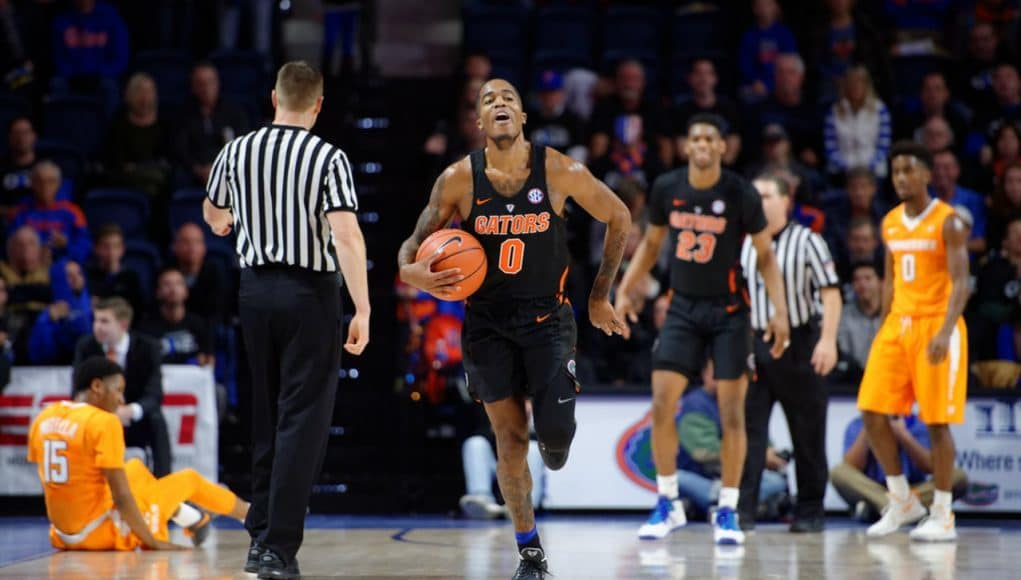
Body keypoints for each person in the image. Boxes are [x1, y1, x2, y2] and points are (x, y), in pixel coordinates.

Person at [397, 78, 630, 579]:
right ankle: (530, 551)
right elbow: (411, 248)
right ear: (478, 122)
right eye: (488, 100)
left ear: (523, 118)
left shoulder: (559, 170)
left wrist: (598, 296)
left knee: (556, 444)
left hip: (549, 319)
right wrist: (412, 271)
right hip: (487, 324)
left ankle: (554, 438)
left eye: (509, 99)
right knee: (509, 440)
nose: (499, 103)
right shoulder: (458, 179)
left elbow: (620, 216)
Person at [203, 61, 370, 580]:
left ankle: (260, 538)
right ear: (318, 105)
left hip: (254, 292)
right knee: (303, 419)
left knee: (266, 416)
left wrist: (231, 223)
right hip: (310, 294)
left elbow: (212, 214)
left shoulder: (235, 150)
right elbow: (346, 236)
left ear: (274, 98)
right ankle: (277, 547)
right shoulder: (327, 157)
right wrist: (362, 308)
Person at [615, 113, 790, 545]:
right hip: (683, 309)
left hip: (730, 311)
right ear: (686, 145)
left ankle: (728, 508)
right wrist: (624, 288)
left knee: (733, 413)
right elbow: (652, 244)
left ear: (722, 146)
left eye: (711, 138)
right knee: (661, 403)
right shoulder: (667, 187)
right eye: (696, 138)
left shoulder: (739, 192)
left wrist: (780, 311)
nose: (703, 144)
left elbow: (766, 256)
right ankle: (668, 501)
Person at [856, 141, 970, 541]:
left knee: (936, 422)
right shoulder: (888, 222)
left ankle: (942, 513)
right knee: (871, 410)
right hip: (898, 326)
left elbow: (962, 283)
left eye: (908, 170)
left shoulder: (948, 221)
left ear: (926, 174)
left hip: (937, 324)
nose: (901, 177)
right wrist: (883, 327)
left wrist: (944, 330)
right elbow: (889, 280)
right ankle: (902, 500)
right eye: (896, 171)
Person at [27, 356, 249, 551]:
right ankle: (253, 516)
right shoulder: (104, 422)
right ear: (97, 386)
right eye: (119, 390)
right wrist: (152, 542)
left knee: (134, 468)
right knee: (188, 480)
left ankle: (191, 517)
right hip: (99, 533)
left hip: (61, 535)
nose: (122, 400)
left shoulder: (45, 416)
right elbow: (121, 497)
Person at [737, 175, 841, 533]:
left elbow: (831, 293)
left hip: (801, 343)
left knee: (808, 434)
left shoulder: (808, 240)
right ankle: (741, 511)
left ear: (786, 201)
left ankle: (810, 511)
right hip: (757, 343)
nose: (759, 200)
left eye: (766, 194)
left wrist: (827, 340)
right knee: (748, 432)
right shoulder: (747, 243)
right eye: (756, 195)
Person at [676, 360, 789, 519]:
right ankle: (737, 503)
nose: (721, 377)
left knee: (776, 481)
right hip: (704, 477)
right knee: (677, 478)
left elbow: (760, 439)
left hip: (739, 476)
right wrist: (758, 456)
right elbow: (702, 452)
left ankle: (721, 504)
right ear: (704, 375)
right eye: (715, 371)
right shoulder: (695, 404)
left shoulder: (742, 402)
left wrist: (770, 454)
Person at [74, 297, 172, 477]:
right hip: (98, 417)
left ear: (123, 325)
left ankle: (163, 484)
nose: (98, 326)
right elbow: (78, 391)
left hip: (133, 416)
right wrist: (103, 414)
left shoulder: (147, 348)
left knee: (156, 419)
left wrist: (129, 411)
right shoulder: (86, 347)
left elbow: (155, 393)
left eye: (105, 321)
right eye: (96, 320)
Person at [831, 415, 968, 522]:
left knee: (957, 477)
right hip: (873, 488)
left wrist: (903, 435)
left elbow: (929, 466)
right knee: (838, 473)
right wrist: (871, 427)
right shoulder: (857, 424)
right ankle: (898, 507)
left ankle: (883, 509)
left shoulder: (917, 423)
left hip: (914, 489)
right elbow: (852, 465)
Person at [8, 161, 91, 264]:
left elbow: (84, 248)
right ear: (32, 184)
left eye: (50, 181)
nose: (45, 186)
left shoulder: (73, 212)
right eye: (39, 181)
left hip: (64, 265)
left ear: (58, 184)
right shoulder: (20, 212)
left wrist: (66, 246)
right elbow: (10, 247)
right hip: (28, 266)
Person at [823, 66, 892, 179]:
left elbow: (884, 145)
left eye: (859, 83)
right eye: (852, 83)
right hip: (841, 172)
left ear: (866, 85)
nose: (856, 87)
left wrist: (867, 167)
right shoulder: (834, 111)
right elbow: (830, 146)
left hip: (873, 172)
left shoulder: (880, 110)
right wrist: (847, 167)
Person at [135, 267, 213, 366]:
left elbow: (209, 360)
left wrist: (205, 360)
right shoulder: (145, 329)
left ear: (186, 291)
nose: (173, 289)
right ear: (158, 292)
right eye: (167, 284)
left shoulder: (199, 324)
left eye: (178, 283)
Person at [85, 223, 146, 315]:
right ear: (96, 248)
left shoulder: (131, 277)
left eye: (115, 246)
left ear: (122, 249)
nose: (111, 252)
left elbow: (138, 311)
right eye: (105, 246)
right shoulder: (88, 275)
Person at [837, 261, 883, 380]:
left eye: (867, 278)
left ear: (881, 283)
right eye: (857, 280)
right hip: (852, 379)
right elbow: (843, 353)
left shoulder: (893, 315)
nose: (862, 284)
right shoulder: (843, 315)